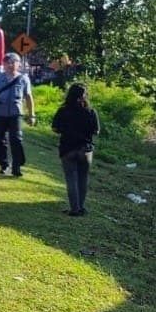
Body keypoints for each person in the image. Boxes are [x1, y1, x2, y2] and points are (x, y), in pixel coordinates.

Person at [51, 83, 99, 217]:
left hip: (68, 149)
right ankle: (81, 207)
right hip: (86, 149)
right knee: (83, 179)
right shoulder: (91, 111)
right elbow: (96, 130)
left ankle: (74, 209)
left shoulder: (63, 110)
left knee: (71, 179)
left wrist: (66, 131)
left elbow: (55, 128)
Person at [0, 52, 36, 176]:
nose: (10, 65)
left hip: (16, 113)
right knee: (0, 140)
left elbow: (28, 97)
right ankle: (3, 165)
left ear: (19, 64)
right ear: (3, 64)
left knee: (16, 139)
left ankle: (17, 166)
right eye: (7, 62)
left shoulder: (23, 79)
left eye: (13, 62)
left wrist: (31, 115)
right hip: (0, 113)